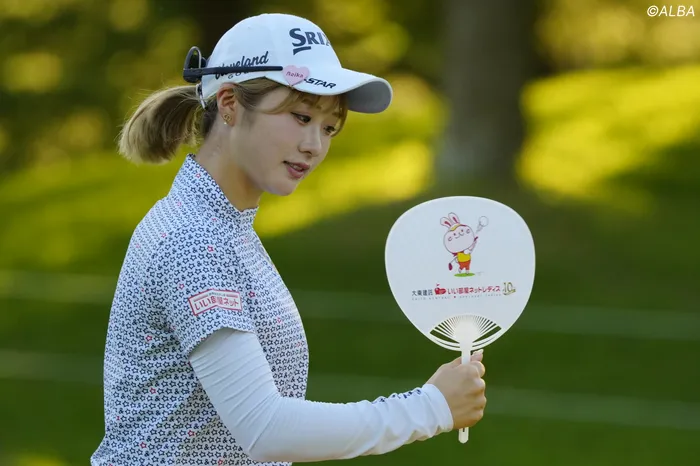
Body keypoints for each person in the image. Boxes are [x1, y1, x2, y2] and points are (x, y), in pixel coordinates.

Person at [90, 12, 487, 465]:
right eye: (301, 117)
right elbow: (265, 428)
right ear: (229, 104)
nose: (314, 145)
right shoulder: (193, 239)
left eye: (329, 127)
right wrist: (429, 408)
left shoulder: (224, 228)